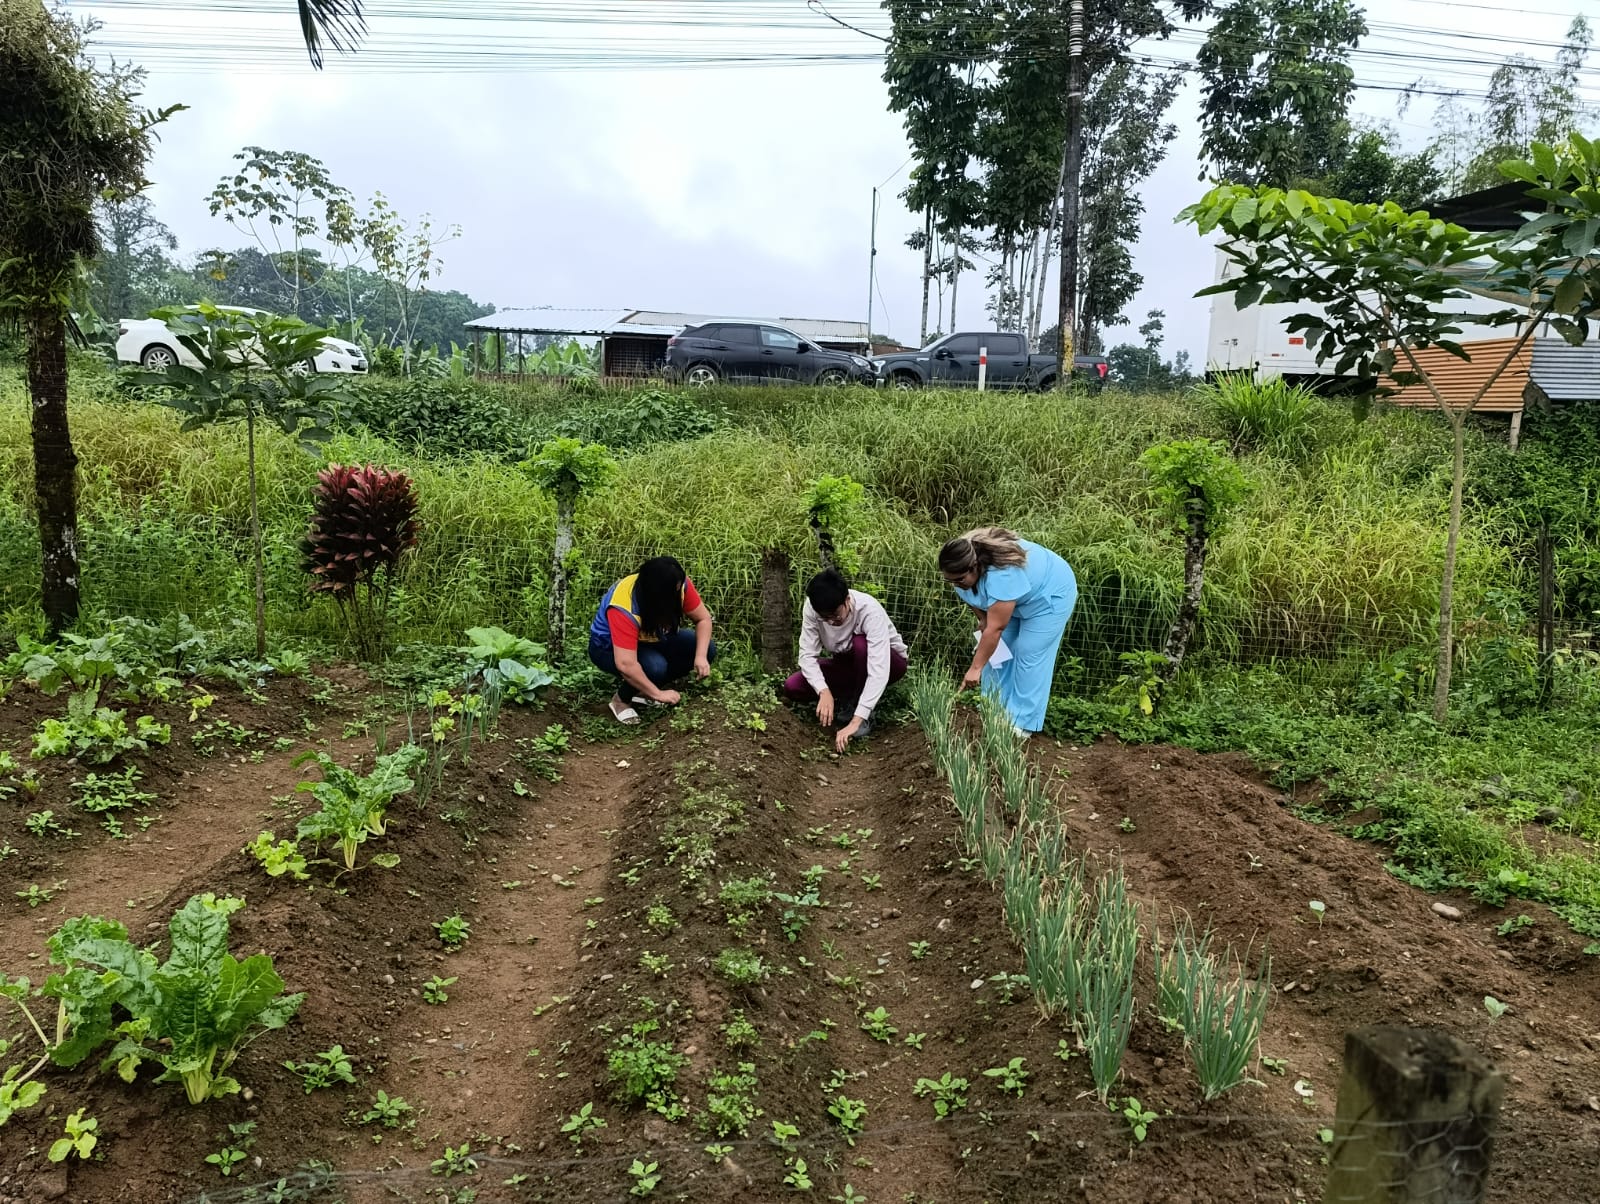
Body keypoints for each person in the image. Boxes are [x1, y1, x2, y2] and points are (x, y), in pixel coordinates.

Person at [939, 527, 1076, 736]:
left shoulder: (1002, 574)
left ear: (975, 567)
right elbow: (972, 597)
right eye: (949, 580)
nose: (955, 585)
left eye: (958, 580)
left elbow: (996, 628)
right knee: (998, 653)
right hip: (1010, 599)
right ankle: (994, 709)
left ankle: (1022, 722)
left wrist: (975, 669)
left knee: (1028, 652)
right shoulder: (960, 565)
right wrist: (982, 618)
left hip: (1049, 595)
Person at [781, 569, 909, 752]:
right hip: (848, 664)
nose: (831, 622)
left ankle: (862, 711)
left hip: (889, 663)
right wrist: (824, 691)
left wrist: (856, 721)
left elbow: (879, 669)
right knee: (793, 686)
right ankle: (848, 697)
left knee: (861, 645)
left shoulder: (869, 611)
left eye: (835, 615)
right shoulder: (813, 608)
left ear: (847, 600)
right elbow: (807, 655)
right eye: (825, 618)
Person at [588, 556, 716, 724]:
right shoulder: (623, 606)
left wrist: (700, 657)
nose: (677, 592)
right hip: (607, 648)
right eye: (671, 592)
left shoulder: (677, 583)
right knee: (655, 667)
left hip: (651, 638)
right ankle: (621, 701)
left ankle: (643, 690)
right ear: (656, 593)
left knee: (706, 648)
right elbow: (626, 664)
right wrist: (659, 694)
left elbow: (703, 619)